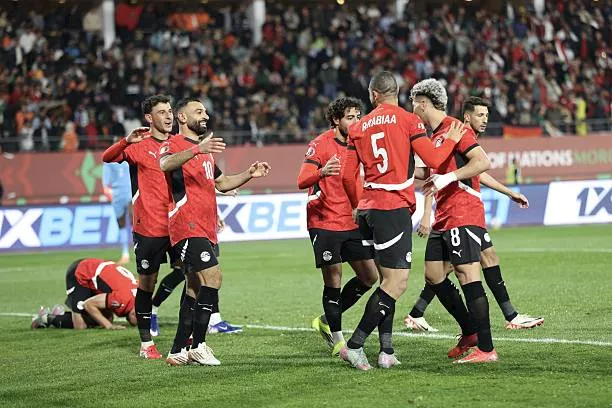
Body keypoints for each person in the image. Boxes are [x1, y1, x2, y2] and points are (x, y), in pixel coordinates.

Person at [339, 71, 464, 370]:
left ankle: (386, 350)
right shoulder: (409, 121)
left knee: (386, 280)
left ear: (373, 95)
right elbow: (434, 160)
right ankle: (354, 346)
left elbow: (346, 175)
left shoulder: (358, 127)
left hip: (368, 209)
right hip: (392, 209)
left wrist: (357, 204)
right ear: (397, 92)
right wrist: (451, 140)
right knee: (397, 283)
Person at [405, 96, 544, 332]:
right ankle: (492, 324)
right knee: (453, 269)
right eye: (480, 115)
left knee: (485, 258)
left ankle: (509, 315)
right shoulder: (456, 133)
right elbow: (435, 174)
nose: (485, 120)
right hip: (458, 214)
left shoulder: (459, 136)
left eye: (487, 115)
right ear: (467, 117)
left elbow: (476, 171)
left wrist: (509, 192)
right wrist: (427, 213)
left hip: (463, 213)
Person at [159, 98, 270, 366]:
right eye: (198, 111)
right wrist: (197, 149)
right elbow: (165, 164)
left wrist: (249, 174)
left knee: (194, 287)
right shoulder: (173, 143)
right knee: (213, 277)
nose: (205, 115)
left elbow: (222, 183)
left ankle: (177, 350)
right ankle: (199, 345)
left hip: (206, 227)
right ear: (182, 118)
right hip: (187, 225)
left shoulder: (205, 151)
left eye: (206, 111)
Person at [410, 78, 497, 364]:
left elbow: (482, 162)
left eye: (414, 104)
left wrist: (449, 177)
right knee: (434, 275)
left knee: (467, 276)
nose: (412, 109)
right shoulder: (433, 134)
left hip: (463, 213)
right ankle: (470, 332)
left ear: (423, 103)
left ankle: (487, 349)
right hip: (443, 216)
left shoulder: (455, 128)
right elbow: (427, 173)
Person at [102, 95, 183, 359]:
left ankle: (188, 336)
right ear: (149, 118)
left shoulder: (178, 144)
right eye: (162, 112)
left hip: (178, 224)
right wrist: (126, 141)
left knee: (192, 273)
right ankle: (146, 343)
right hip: (149, 226)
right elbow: (107, 157)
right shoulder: (139, 144)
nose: (169, 116)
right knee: (147, 283)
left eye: (170, 111)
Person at [297, 97, 378, 358]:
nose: (355, 122)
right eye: (350, 117)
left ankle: (326, 320)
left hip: (350, 219)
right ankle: (339, 340)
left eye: (358, 117)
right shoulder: (319, 145)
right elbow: (301, 180)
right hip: (324, 220)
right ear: (336, 120)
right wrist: (322, 172)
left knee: (369, 277)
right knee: (333, 278)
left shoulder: (360, 143)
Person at [31, 258, 137, 330]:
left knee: (105, 318)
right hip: (80, 274)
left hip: (93, 272)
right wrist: (109, 326)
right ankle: (47, 318)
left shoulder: (137, 294)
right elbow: (89, 304)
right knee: (80, 325)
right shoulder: (122, 299)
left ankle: (62, 315)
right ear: (134, 313)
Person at [102, 157, 132, 265]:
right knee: (122, 224)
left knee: (134, 223)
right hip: (119, 194)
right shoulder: (109, 162)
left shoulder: (129, 157)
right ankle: (125, 253)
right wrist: (109, 193)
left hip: (129, 193)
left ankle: (137, 251)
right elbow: (105, 184)